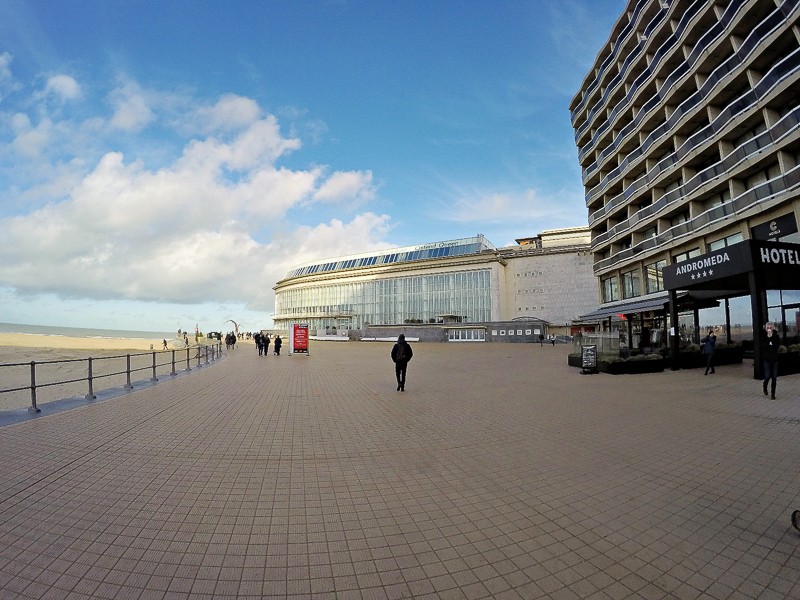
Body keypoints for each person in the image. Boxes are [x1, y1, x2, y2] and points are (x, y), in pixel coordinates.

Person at [762, 321, 779, 399]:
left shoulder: (776, 336)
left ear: (773, 328)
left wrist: (771, 339)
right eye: (767, 328)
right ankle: (765, 386)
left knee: (774, 377)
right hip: (766, 359)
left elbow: (776, 345)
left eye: (770, 328)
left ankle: (773, 394)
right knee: (767, 376)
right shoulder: (763, 336)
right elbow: (764, 346)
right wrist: (769, 339)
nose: (769, 329)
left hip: (774, 359)